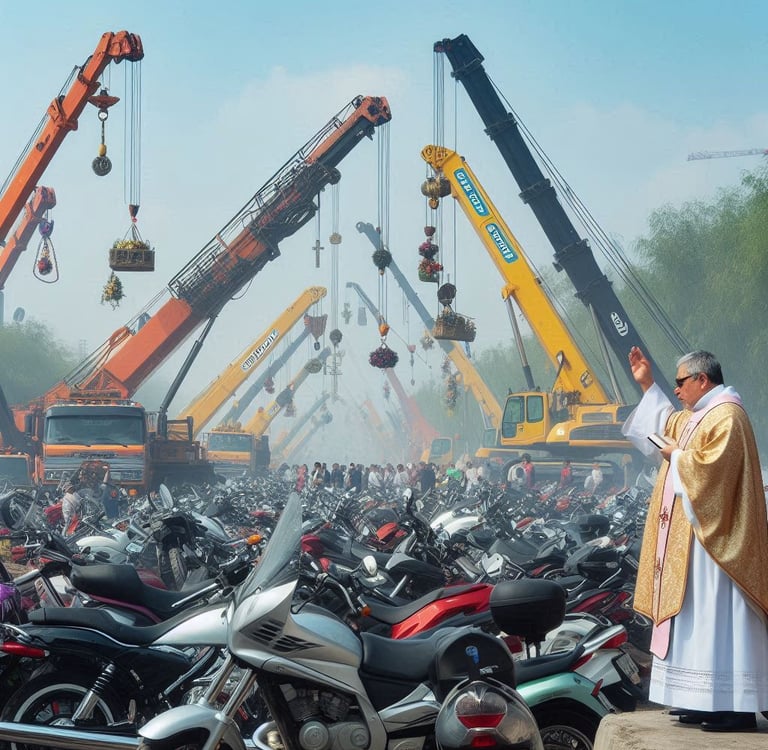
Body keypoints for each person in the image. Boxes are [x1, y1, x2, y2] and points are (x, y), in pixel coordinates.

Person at [621, 346, 768, 731]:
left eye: (681, 382)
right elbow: (664, 426)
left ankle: (733, 706)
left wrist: (678, 457)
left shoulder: (729, 415)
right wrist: (647, 384)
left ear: (704, 379)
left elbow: (713, 471)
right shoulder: (696, 416)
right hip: (690, 539)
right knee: (694, 618)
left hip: (718, 543)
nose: (678, 390)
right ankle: (701, 699)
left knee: (718, 618)